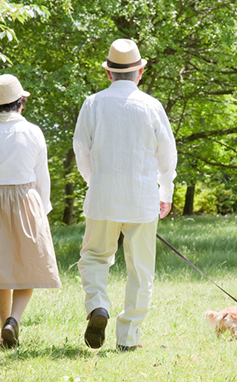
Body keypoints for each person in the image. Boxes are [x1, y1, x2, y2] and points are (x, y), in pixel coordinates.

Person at [73, 39, 178, 351]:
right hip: (142, 198)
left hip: (102, 197)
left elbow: (81, 151)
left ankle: (98, 306)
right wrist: (166, 191)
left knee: (94, 257)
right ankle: (129, 337)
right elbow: (167, 156)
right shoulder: (152, 106)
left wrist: (97, 181)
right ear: (140, 72)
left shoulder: (92, 104)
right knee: (140, 270)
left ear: (108, 73)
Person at [0, 74, 62, 348]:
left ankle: (3, 327)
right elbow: (41, 175)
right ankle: (14, 319)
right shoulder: (33, 132)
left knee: (0, 266)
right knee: (29, 263)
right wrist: (43, 209)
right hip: (25, 196)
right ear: (21, 102)